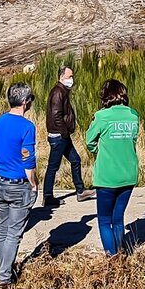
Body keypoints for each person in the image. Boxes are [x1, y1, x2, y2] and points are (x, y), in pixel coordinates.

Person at [0, 83, 38, 289]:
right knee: (14, 233)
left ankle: (0, 267)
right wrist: (34, 184)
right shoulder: (27, 127)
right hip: (19, 184)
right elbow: (28, 159)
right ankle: (4, 276)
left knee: (2, 229)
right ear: (25, 102)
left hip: (1, 181)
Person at [86, 79, 140, 257]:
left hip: (108, 175)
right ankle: (121, 251)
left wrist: (99, 151)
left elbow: (89, 141)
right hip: (128, 173)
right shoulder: (133, 115)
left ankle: (112, 256)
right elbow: (133, 140)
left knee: (103, 220)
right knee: (118, 219)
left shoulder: (102, 116)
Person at [43, 65, 96, 208]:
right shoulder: (58, 92)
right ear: (61, 77)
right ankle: (47, 196)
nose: (72, 79)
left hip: (62, 135)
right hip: (59, 136)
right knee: (53, 166)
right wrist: (64, 132)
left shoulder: (63, 91)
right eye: (69, 76)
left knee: (75, 160)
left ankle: (80, 191)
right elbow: (56, 115)